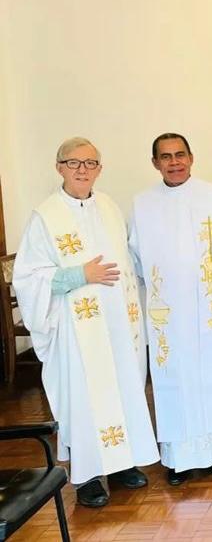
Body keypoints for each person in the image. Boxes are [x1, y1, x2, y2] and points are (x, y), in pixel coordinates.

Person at [13, 137, 159, 508]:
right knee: (85, 399)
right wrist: (80, 274)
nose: (82, 170)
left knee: (123, 390)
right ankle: (89, 476)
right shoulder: (45, 216)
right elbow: (28, 277)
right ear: (58, 167)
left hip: (117, 327)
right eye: (74, 163)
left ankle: (123, 464)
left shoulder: (109, 207)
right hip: (76, 331)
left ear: (99, 168)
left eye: (90, 163)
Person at [129, 133, 212, 485]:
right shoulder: (142, 204)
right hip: (167, 313)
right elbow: (134, 260)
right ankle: (177, 459)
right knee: (173, 381)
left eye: (180, 155)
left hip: (209, 310)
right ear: (155, 163)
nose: (174, 162)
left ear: (191, 157)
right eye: (165, 157)